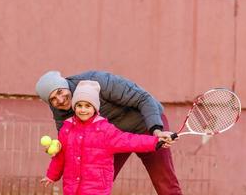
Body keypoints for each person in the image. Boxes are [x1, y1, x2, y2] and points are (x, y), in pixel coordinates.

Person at [35, 70, 182, 194]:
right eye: (53, 99)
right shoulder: (59, 108)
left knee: (164, 182)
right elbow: (68, 142)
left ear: (65, 85)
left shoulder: (100, 81)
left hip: (145, 124)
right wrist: (58, 149)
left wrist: (156, 130)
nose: (60, 100)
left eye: (60, 92)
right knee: (93, 179)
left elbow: (143, 98)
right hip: (109, 137)